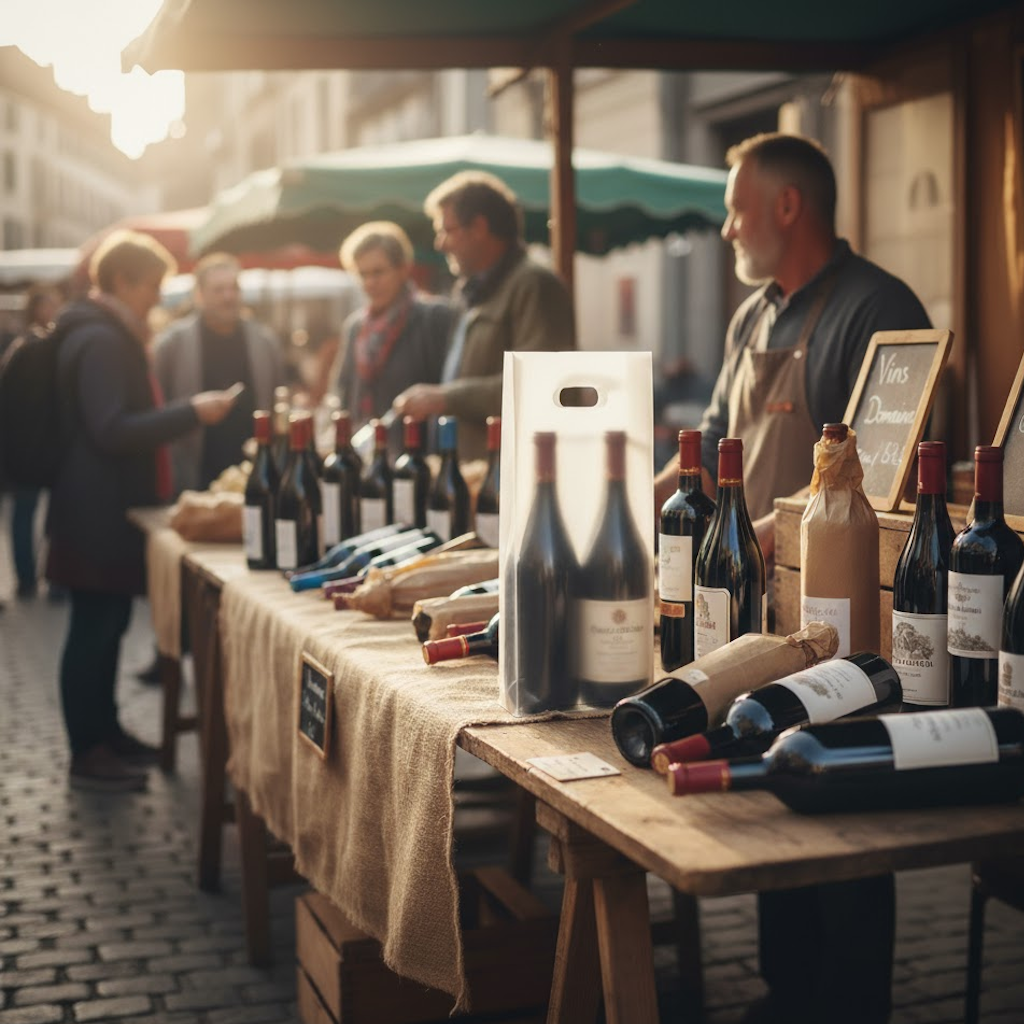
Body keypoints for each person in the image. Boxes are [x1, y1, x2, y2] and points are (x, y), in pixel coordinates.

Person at [656, 133, 931, 1024]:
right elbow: (707, 442)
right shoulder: (751, 315)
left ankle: (849, 1005)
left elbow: (882, 472)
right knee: (781, 784)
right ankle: (787, 992)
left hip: (847, 610)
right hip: (760, 610)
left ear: (785, 207)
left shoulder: (877, 309)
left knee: (843, 795)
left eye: (737, 207)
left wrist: (785, 526)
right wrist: (632, 498)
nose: (727, 226)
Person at [45, 230, 238, 792]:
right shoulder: (103, 340)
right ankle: (88, 749)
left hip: (99, 510)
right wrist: (189, 413)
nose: (158, 296)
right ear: (124, 282)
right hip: (93, 513)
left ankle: (106, 734)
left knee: (106, 626)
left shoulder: (100, 331)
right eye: (152, 285)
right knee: (93, 630)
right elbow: (110, 428)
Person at [393, 171, 575, 460]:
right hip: (471, 469)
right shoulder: (473, 289)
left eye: (446, 230)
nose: (440, 244)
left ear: (478, 227)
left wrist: (444, 398)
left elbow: (540, 382)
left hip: (509, 475)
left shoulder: (534, 284)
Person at [153, 252, 284, 494]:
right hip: (192, 480)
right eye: (219, 289)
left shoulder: (264, 341)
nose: (229, 296)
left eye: (234, 288)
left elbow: (278, 405)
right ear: (199, 296)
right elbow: (157, 413)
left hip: (255, 478)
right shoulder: (171, 344)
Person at [329, 221, 451, 452]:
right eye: (362, 274)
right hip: (363, 454)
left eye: (378, 272)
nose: (370, 283)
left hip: (415, 457)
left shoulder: (433, 317)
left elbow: (446, 389)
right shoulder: (355, 327)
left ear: (403, 269)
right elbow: (342, 390)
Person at [5, 285, 61, 599]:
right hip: (32, 448)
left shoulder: (25, 347)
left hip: (34, 448)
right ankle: (32, 578)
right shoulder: (30, 347)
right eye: (50, 305)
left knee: (34, 513)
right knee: (32, 512)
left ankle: (40, 579)